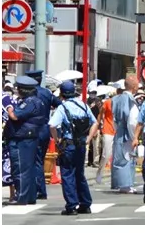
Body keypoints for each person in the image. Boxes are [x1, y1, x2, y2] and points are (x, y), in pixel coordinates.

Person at [51, 80, 99, 215]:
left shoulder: (63, 107)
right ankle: (85, 203)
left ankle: (71, 205)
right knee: (80, 174)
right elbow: (95, 123)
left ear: (62, 94)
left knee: (67, 174)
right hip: (81, 144)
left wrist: (57, 140)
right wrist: (88, 139)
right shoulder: (83, 105)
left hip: (68, 144)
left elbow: (52, 125)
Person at [6, 76, 50, 206]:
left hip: (22, 138)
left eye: (18, 88)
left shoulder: (29, 102)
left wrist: (8, 106)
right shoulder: (36, 100)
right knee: (28, 168)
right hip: (28, 138)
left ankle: (21, 197)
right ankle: (29, 196)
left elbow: (14, 116)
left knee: (20, 168)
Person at [27, 70, 59, 200]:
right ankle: (39, 189)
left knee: (33, 160)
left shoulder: (28, 93)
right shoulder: (47, 93)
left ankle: (38, 189)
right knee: (39, 159)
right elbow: (60, 105)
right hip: (45, 129)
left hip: (31, 130)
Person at [110, 75, 139, 193]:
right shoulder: (131, 100)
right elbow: (133, 121)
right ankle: (126, 185)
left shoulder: (116, 99)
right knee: (127, 157)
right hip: (128, 132)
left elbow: (113, 119)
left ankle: (122, 184)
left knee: (119, 157)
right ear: (134, 86)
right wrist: (134, 136)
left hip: (119, 131)